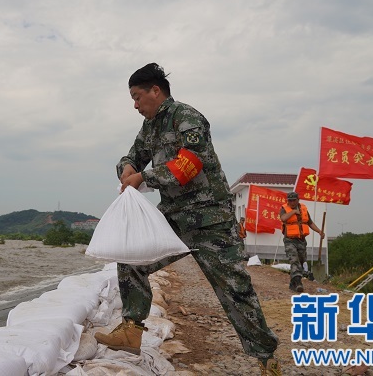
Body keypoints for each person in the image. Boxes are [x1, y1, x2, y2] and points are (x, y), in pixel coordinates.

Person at [94, 63, 281, 375]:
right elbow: (132, 156)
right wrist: (126, 168)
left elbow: (188, 165)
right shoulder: (149, 128)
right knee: (131, 256)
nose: (135, 105)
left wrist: (144, 177)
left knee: (236, 291)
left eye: (138, 97)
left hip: (211, 221)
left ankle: (267, 359)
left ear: (157, 91)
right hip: (175, 219)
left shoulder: (187, 117)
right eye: (132, 99)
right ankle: (131, 328)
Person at [279, 191, 325, 293]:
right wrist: (293, 212)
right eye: (289, 200)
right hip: (289, 240)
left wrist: (319, 231)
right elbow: (283, 218)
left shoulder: (303, 209)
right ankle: (299, 283)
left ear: (298, 200)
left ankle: (293, 283)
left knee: (300, 261)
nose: (291, 202)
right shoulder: (284, 209)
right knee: (294, 259)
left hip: (301, 240)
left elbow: (310, 223)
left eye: (293, 200)